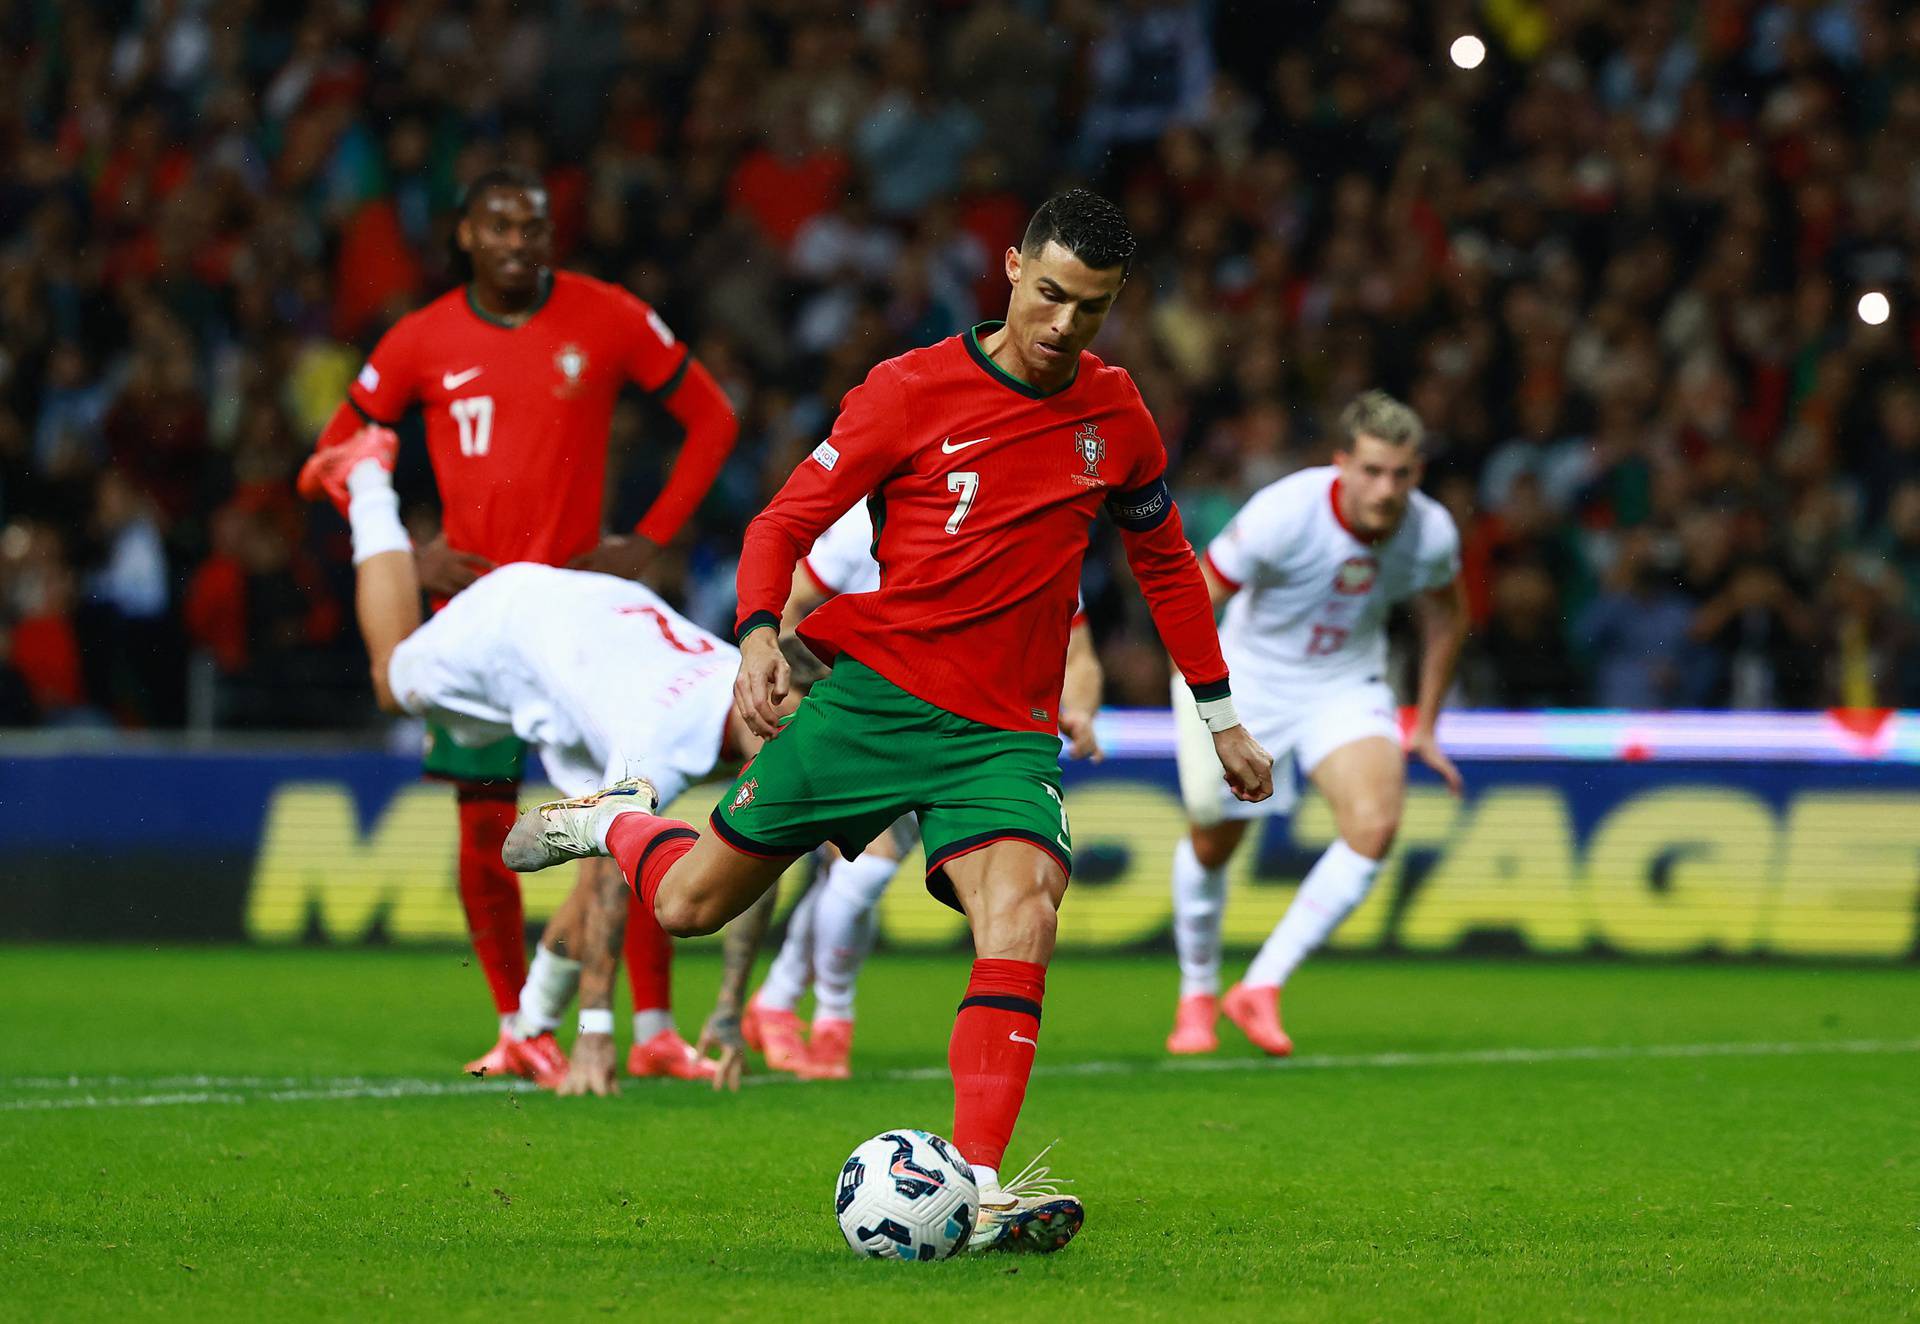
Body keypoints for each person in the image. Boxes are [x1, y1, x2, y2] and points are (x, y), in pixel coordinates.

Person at [504, 190, 1273, 1255]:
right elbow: (785, 520)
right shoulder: (908, 390)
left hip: (1002, 734)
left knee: (1027, 913)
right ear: (1010, 266)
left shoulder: (1119, 416)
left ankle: (981, 1186)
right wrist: (763, 632)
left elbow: (1166, 562)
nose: (1063, 326)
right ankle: (618, 818)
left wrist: (1221, 713)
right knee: (687, 908)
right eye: (1049, 294)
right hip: (870, 703)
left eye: (1090, 309)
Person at [312, 166, 739, 1081]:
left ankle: (651, 1025)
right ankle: (518, 1024)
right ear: (464, 234)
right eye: (499, 226)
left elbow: (712, 419)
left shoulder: (609, 315)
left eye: (534, 227)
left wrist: (650, 541)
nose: (518, 242)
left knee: (622, 815)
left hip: (583, 624)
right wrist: (418, 558)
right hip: (472, 618)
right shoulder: (421, 339)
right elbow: (333, 442)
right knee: (495, 823)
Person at [297, 426, 775, 1090]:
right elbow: (615, 877)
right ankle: (367, 475)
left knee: (597, 854)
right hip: (514, 623)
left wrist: (725, 1014)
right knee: (390, 680)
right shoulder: (662, 733)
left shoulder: (753, 693)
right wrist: (596, 1035)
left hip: (589, 650)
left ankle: (526, 1031)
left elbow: (768, 846)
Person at [742, 500, 1106, 1081]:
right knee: (865, 872)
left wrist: (1081, 709)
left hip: (976, 738)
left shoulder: (1040, 540)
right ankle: (828, 1016)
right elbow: (789, 606)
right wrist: (822, 691)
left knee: (854, 878)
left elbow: (1081, 654)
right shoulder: (873, 527)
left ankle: (777, 998)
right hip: (880, 719)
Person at [1164, 391, 1468, 1059]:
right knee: (1215, 844)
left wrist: (1426, 724)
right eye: (1372, 471)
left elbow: (1448, 616)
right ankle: (1197, 994)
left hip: (1344, 683)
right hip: (1246, 680)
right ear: (1342, 465)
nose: (1387, 490)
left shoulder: (1432, 530)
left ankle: (1262, 986)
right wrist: (1213, 712)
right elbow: (1194, 599)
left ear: (1417, 473)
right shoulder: (1284, 513)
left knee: (1375, 827)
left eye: (1402, 474)